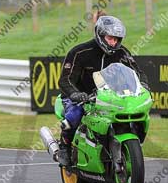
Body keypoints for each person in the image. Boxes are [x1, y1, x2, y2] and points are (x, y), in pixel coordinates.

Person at [57, 13, 148, 167]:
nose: (114, 43)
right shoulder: (79, 52)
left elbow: (137, 72)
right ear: (100, 35)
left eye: (117, 39)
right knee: (75, 114)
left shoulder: (122, 53)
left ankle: (127, 147)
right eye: (110, 38)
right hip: (80, 97)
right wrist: (75, 94)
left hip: (109, 97)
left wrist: (144, 86)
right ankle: (64, 147)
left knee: (131, 112)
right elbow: (65, 79)